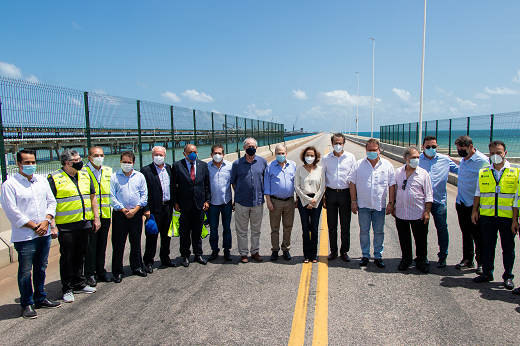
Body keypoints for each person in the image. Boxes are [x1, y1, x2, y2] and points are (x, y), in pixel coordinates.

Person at [1, 149, 61, 319]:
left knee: (41, 266)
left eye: (33, 162)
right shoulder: (10, 185)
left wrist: (47, 220)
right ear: (18, 164)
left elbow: (52, 202)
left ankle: (40, 297)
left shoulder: (41, 180)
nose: (31, 165)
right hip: (25, 236)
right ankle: (26, 303)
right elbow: (12, 212)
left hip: (44, 232)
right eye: (27, 162)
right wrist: (36, 226)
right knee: (25, 271)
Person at [48, 149, 100, 302]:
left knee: (80, 255)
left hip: (84, 223)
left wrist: (96, 218)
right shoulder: (55, 178)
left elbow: (93, 198)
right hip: (66, 226)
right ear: (67, 163)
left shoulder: (84, 174)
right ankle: (67, 288)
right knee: (67, 258)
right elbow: (49, 203)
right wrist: (53, 225)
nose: (80, 162)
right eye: (76, 160)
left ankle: (79, 283)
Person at [471, 141, 518, 290]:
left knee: (508, 248)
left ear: (505, 153)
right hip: (487, 216)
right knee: (488, 246)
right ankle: (487, 273)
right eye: (492, 153)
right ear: (488, 154)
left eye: (498, 152)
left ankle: (508, 277)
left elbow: (517, 199)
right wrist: (474, 211)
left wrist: (515, 220)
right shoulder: (483, 172)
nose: (495, 156)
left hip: (507, 218)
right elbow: (478, 193)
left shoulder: (515, 172)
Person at [350, 138, 396, 268]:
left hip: (379, 205)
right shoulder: (359, 164)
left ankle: (378, 256)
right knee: (364, 231)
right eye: (369, 150)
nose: (372, 152)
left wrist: (391, 203)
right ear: (366, 150)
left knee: (379, 231)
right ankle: (365, 255)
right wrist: (353, 201)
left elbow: (392, 185)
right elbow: (352, 183)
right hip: (363, 204)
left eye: (374, 150)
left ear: (379, 150)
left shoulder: (387, 165)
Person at [418, 135, 459, 268]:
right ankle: (422, 256)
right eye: (428, 147)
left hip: (439, 201)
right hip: (422, 201)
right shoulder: (417, 160)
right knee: (422, 230)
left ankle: (443, 256)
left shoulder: (445, 159)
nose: (431, 149)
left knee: (442, 229)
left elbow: (461, 170)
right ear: (423, 147)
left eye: (434, 147)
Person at [110, 151, 149, 283]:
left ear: (133, 163)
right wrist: (123, 209)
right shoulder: (114, 177)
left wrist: (136, 209)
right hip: (120, 214)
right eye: (124, 162)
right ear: (120, 162)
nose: (126, 164)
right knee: (118, 243)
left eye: (129, 162)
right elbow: (112, 196)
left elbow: (144, 195)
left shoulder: (139, 176)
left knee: (136, 242)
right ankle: (117, 271)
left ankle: (137, 266)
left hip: (136, 213)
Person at [393, 146, 433, 274]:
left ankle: (421, 260)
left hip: (418, 213)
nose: (416, 160)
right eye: (413, 157)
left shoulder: (423, 174)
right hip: (401, 212)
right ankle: (406, 259)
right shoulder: (398, 172)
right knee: (404, 238)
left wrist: (427, 211)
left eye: (417, 157)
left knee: (420, 239)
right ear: (406, 158)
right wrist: (392, 204)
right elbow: (394, 190)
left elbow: (428, 194)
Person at [454, 135, 488, 274]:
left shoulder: (482, 161)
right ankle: (468, 259)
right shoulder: (464, 159)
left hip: (475, 205)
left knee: (478, 234)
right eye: (458, 149)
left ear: (471, 147)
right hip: (461, 202)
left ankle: (482, 262)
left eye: (462, 149)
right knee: (466, 233)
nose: (460, 152)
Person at [172, 144, 210, 267]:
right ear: (184, 153)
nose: (192, 153)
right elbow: (173, 186)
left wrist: (207, 201)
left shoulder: (203, 165)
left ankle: (198, 254)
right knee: (184, 232)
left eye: (194, 151)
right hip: (184, 205)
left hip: (199, 204)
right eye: (190, 151)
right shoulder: (177, 165)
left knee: (197, 231)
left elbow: (207, 185)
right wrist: (175, 202)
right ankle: (185, 255)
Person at [230, 137, 267, 263]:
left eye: (253, 146)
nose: (251, 148)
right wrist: (240, 194)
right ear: (244, 148)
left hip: (257, 201)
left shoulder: (262, 162)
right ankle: (243, 253)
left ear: (256, 147)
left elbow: (264, 180)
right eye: (248, 146)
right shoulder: (236, 164)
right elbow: (233, 183)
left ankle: (255, 252)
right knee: (242, 230)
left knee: (256, 229)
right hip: (242, 202)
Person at [321, 132, 356, 261]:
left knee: (345, 225)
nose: (338, 145)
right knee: (332, 225)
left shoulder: (350, 158)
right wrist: (323, 195)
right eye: (335, 143)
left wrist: (354, 199)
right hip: (330, 193)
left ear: (344, 144)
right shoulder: (326, 158)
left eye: (340, 143)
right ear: (332, 144)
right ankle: (333, 251)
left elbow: (354, 179)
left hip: (345, 194)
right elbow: (323, 177)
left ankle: (344, 251)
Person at [141, 146, 177, 271]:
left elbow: (173, 187)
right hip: (153, 209)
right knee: (152, 235)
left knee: (166, 235)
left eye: (161, 155)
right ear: (152, 156)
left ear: (165, 156)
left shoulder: (169, 168)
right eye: (156, 154)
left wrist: (175, 203)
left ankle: (165, 257)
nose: (158, 157)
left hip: (167, 207)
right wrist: (146, 208)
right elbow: (143, 191)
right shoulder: (146, 171)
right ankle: (148, 261)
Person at [84, 146, 113, 286]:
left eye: (101, 154)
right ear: (89, 157)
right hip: (90, 215)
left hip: (106, 214)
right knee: (91, 246)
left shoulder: (107, 170)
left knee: (102, 245)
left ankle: (101, 271)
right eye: (96, 155)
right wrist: (95, 217)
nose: (99, 157)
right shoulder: (83, 172)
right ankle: (89, 273)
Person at [264, 144, 296, 261]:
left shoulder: (293, 165)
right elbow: (267, 185)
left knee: (288, 227)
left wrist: (297, 198)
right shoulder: (270, 166)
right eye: (278, 153)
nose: (281, 155)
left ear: (286, 153)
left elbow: (296, 183)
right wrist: (268, 201)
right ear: (275, 154)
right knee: (275, 228)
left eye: (283, 153)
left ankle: (286, 249)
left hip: (289, 201)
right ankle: (275, 250)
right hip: (275, 201)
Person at [294, 146, 325, 263]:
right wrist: (307, 200)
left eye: (312, 155)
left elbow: (322, 187)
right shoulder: (299, 170)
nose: (310, 157)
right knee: (305, 229)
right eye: (307, 155)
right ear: (304, 157)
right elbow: (297, 187)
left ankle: (314, 254)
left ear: (315, 157)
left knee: (315, 229)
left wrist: (314, 200)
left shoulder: (320, 170)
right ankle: (306, 255)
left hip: (316, 200)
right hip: (303, 200)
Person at [207, 144, 233, 262]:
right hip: (212, 203)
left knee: (227, 228)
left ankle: (227, 250)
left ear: (223, 154)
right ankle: (214, 250)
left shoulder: (230, 166)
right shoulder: (206, 167)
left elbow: (234, 183)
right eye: (215, 153)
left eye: (220, 153)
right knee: (213, 228)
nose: (217, 155)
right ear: (211, 154)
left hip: (226, 202)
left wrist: (235, 200)